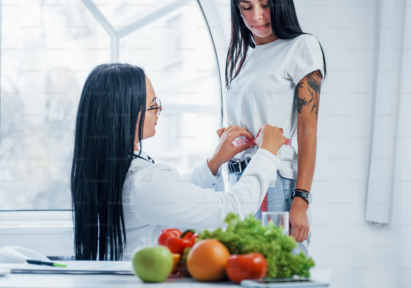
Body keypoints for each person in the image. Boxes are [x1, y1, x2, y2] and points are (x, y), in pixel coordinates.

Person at [71, 63, 286, 261]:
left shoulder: (108, 169)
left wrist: (214, 163)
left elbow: (173, 193)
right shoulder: (145, 182)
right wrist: (267, 152)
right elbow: (231, 210)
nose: (159, 110)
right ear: (128, 115)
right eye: (153, 105)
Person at [225, 0, 327, 257]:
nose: (257, 16)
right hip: (239, 183)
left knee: (279, 276)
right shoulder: (245, 57)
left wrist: (301, 200)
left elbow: (307, 132)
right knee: (245, 276)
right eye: (247, 7)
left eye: (265, 5)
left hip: (274, 183)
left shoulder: (301, 47)